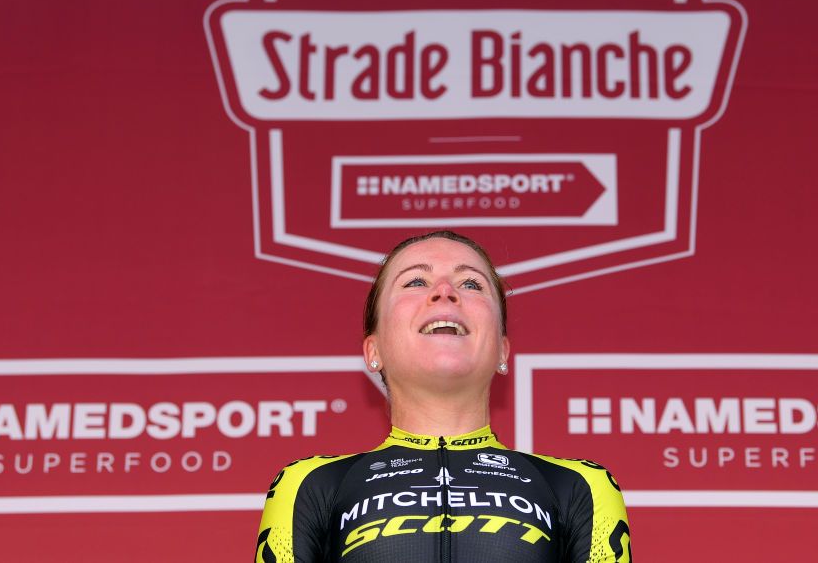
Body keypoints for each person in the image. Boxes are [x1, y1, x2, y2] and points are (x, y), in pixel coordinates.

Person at [255, 230, 631, 562]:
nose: (444, 291)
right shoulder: (309, 484)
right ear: (374, 350)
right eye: (415, 281)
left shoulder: (581, 486)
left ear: (503, 350)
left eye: (471, 284)